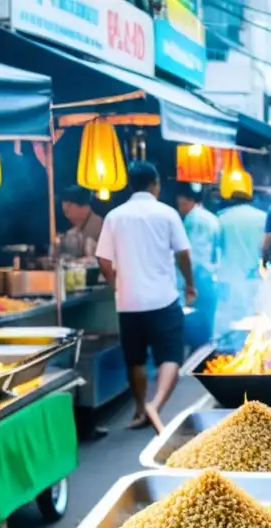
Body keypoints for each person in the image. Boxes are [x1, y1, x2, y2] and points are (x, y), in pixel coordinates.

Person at [96, 162, 194, 433]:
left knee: (135, 359)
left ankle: (139, 409)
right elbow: (183, 253)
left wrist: (117, 284)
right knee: (171, 354)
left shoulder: (114, 216)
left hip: (129, 301)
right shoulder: (167, 213)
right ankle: (156, 404)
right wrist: (190, 284)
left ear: (130, 185)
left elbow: (103, 259)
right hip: (163, 298)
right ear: (155, 184)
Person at [175, 183, 221, 349]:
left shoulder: (195, 220)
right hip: (209, 280)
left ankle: (197, 370)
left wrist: (189, 285)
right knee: (206, 330)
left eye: (179, 203)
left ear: (188, 200)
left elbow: (194, 257)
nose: (179, 207)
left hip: (199, 282)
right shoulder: (210, 217)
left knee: (198, 333)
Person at [218, 187, 268, 331]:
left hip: (229, 277)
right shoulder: (262, 217)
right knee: (255, 320)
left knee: (232, 321)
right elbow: (267, 247)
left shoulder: (222, 218)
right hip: (255, 275)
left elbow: (218, 248)